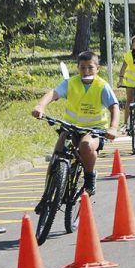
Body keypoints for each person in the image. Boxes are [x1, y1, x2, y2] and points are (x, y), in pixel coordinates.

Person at [32, 51, 119, 196]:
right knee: (57, 153)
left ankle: (89, 177)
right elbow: (53, 93)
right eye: (82, 67)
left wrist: (113, 127)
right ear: (77, 68)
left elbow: (114, 107)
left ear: (98, 68)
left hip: (94, 129)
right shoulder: (71, 82)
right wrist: (40, 106)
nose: (86, 71)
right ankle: (47, 192)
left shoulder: (102, 86)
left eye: (90, 67)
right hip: (71, 127)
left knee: (86, 146)